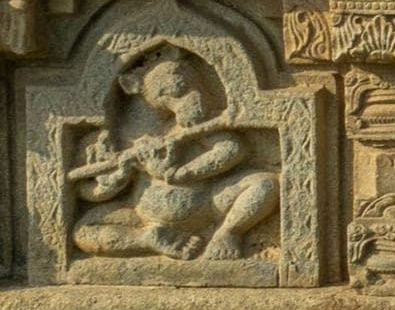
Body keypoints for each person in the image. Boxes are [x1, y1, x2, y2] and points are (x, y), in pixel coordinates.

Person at [70, 48, 278, 261]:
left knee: (265, 184)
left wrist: (180, 173)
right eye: (175, 94)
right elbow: (89, 191)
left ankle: (228, 232)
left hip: (209, 203)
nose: (193, 99)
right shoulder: (118, 137)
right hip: (145, 213)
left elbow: (232, 150)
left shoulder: (193, 126)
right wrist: (118, 178)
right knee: (84, 231)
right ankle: (147, 238)